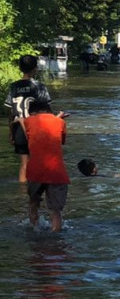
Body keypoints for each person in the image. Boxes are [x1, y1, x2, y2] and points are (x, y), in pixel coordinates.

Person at [6, 55, 57, 183]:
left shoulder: (14, 86)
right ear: (35, 68)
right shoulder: (39, 86)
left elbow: (10, 112)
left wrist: (11, 133)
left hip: (18, 128)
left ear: (20, 68)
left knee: (24, 163)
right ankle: (35, 194)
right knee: (40, 161)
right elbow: (47, 110)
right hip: (36, 128)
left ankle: (22, 193)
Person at [23, 99, 69, 232]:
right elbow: (60, 140)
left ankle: (34, 229)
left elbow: (32, 133)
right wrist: (57, 118)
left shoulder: (29, 121)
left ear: (33, 112)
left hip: (35, 171)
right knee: (55, 211)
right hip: (57, 172)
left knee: (33, 203)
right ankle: (55, 239)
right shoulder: (60, 122)